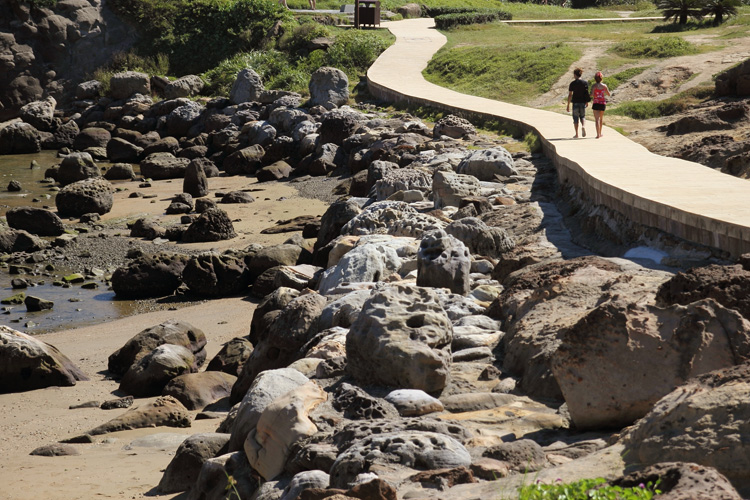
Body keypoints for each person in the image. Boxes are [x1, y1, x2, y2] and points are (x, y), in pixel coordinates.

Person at [566, 68, 589, 138]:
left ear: (575, 75)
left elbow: (570, 95)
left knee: (575, 118)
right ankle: (583, 126)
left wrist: (568, 105)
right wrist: (587, 101)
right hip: (582, 102)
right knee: (583, 116)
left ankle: (576, 134)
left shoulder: (572, 83)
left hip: (575, 103)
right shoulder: (585, 83)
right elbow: (586, 93)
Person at [591, 71, 611, 139]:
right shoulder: (604, 86)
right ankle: (600, 133)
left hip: (596, 102)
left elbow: (591, 94)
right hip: (602, 103)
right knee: (601, 119)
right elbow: (608, 94)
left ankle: (597, 134)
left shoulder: (594, 86)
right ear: (601, 78)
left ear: (595, 78)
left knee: (597, 119)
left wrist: (594, 95)